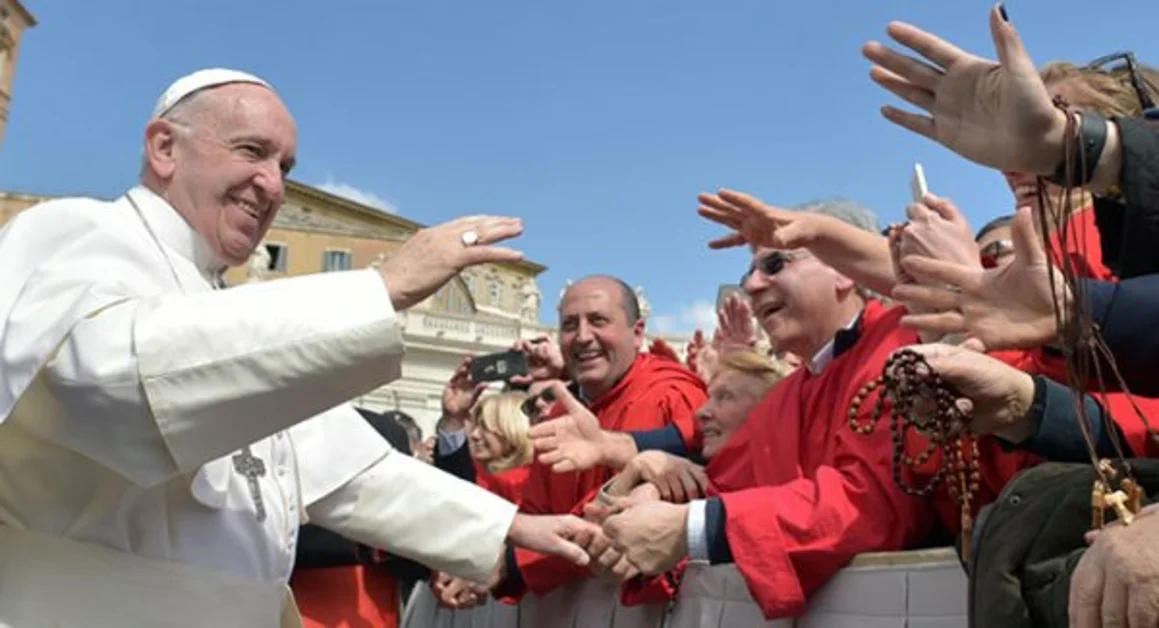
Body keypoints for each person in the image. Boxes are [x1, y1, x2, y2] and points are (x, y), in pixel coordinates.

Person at [0, 68, 597, 626]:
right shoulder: (77, 234)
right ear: (163, 148)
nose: (274, 185)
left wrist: (511, 527)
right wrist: (382, 289)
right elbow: (109, 380)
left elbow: (332, 464)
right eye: (252, 151)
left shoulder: (211, 291)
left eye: (285, 166)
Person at [594, 193, 937, 620]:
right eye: (750, 272)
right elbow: (721, 491)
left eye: (776, 264)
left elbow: (871, 506)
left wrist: (691, 527)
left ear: (844, 269)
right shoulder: (785, 396)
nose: (752, 285)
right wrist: (648, 492)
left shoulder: (907, 339)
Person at [494, 275, 706, 605]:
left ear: (637, 333)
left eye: (598, 321)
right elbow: (535, 514)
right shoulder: (561, 416)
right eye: (569, 325)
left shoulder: (673, 395)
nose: (582, 337)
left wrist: (510, 565)